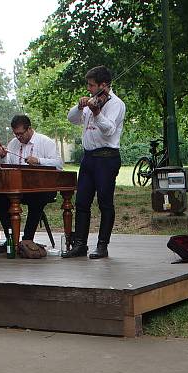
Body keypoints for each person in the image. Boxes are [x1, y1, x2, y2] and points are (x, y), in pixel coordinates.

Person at [64, 65, 125, 259]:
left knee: (105, 203)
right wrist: (80, 106)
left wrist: (97, 112)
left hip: (107, 158)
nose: (89, 89)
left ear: (103, 85)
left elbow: (109, 130)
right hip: (89, 158)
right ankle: (80, 244)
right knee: (82, 202)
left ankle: (102, 245)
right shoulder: (91, 102)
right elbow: (72, 118)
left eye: (91, 85)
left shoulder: (116, 104)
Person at [0, 114, 63, 248]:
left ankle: (27, 239)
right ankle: (10, 239)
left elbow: (59, 164)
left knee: (37, 199)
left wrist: (39, 161)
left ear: (29, 129)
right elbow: (6, 165)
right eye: (16, 134)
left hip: (43, 187)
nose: (18, 138)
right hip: (19, 188)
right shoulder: (13, 143)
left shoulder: (45, 142)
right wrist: (2, 157)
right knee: (0, 197)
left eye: (20, 134)